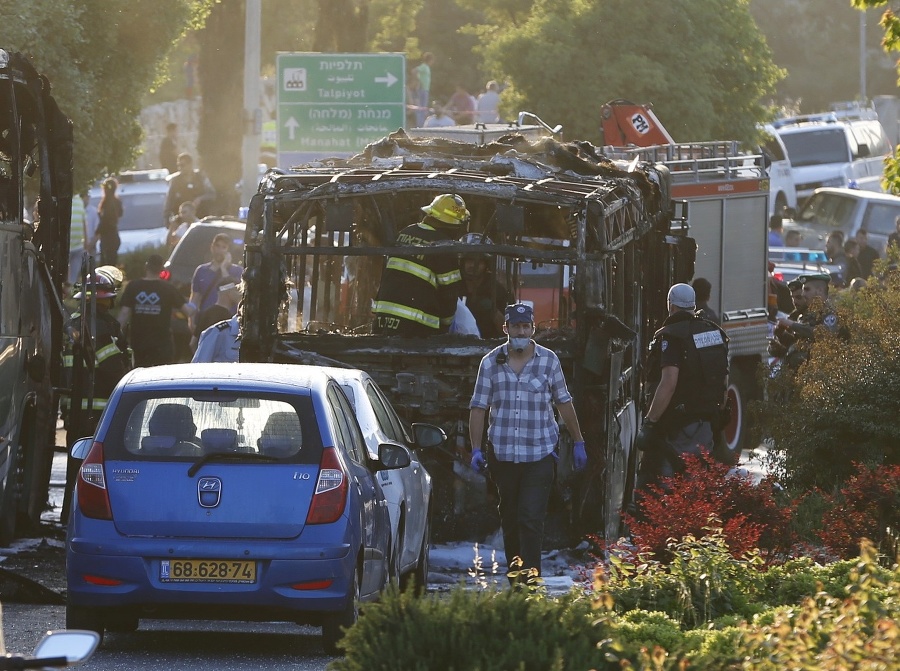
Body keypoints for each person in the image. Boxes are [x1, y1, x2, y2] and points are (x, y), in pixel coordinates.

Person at [468, 302, 587, 580]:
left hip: (539, 455)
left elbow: (563, 402)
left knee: (530, 518)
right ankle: (516, 578)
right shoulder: (491, 363)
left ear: (533, 328)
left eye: (525, 326)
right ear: (505, 328)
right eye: (515, 326)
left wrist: (579, 441)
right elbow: (478, 407)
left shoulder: (548, 361)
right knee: (510, 520)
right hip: (503, 456)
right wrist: (475, 449)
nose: (520, 331)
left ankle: (531, 581)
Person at [634, 283, 729, 491]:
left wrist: (650, 422)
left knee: (668, 489)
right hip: (705, 424)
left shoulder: (672, 335)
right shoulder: (714, 332)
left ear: (671, 306)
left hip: (676, 425)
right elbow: (723, 379)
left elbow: (668, 382)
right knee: (697, 487)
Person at [61, 268, 131, 520]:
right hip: (100, 410)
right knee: (98, 467)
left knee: (75, 463)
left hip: (74, 408)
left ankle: (67, 515)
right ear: (105, 299)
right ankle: (87, 517)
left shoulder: (71, 324)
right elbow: (114, 369)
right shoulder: (101, 328)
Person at [372, 194, 466, 336]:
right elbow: (449, 294)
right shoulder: (445, 247)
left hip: (382, 320)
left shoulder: (405, 232)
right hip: (416, 327)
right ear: (454, 225)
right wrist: (445, 328)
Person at [118, 254, 196, 367]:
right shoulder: (168, 288)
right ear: (161, 269)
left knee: (141, 377)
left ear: (146, 267)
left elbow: (124, 315)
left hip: (139, 343)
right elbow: (188, 311)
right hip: (162, 345)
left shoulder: (133, 286)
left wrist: (115, 335)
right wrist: (196, 304)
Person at [459, 233, 514, 338]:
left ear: (487, 265)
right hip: (452, 344)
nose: (472, 266)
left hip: (487, 345)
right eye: (469, 260)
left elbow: (508, 332)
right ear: (462, 262)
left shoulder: (497, 290)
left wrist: (493, 311)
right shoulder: (453, 285)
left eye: (478, 262)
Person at [189, 232, 243, 323]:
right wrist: (191, 320)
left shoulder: (237, 271)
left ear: (228, 251)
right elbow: (195, 298)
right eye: (217, 246)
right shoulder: (201, 270)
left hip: (227, 321)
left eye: (224, 247)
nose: (219, 250)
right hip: (205, 320)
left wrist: (224, 269)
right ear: (212, 247)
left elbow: (233, 294)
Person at [190, 277, 241, 351]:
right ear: (229, 292)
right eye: (238, 290)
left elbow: (192, 343)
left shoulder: (206, 312)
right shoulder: (227, 318)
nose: (240, 294)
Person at [164, 153, 215, 224]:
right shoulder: (175, 181)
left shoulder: (201, 178)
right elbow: (169, 200)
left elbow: (212, 194)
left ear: (190, 164)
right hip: (183, 220)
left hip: (201, 217)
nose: (180, 168)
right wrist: (167, 217)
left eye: (182, 165)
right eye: (178, 165)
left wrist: (200, 198)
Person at [93, 177, 123, 266]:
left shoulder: (107, 203)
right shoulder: (117, 201)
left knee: (105, 265)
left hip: (107, 238)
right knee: (112, 263)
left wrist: (97, 231)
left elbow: (105, 221)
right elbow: (120, 214)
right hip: (114, 236)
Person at [414, 53, 435, 127]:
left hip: (425, 89)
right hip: (422, 89)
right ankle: (420, 125)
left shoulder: (427, 67)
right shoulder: (423, 66)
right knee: (421, 108)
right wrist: (418, 81)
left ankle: (422, 124)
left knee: (424, 108)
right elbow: (414, 71)